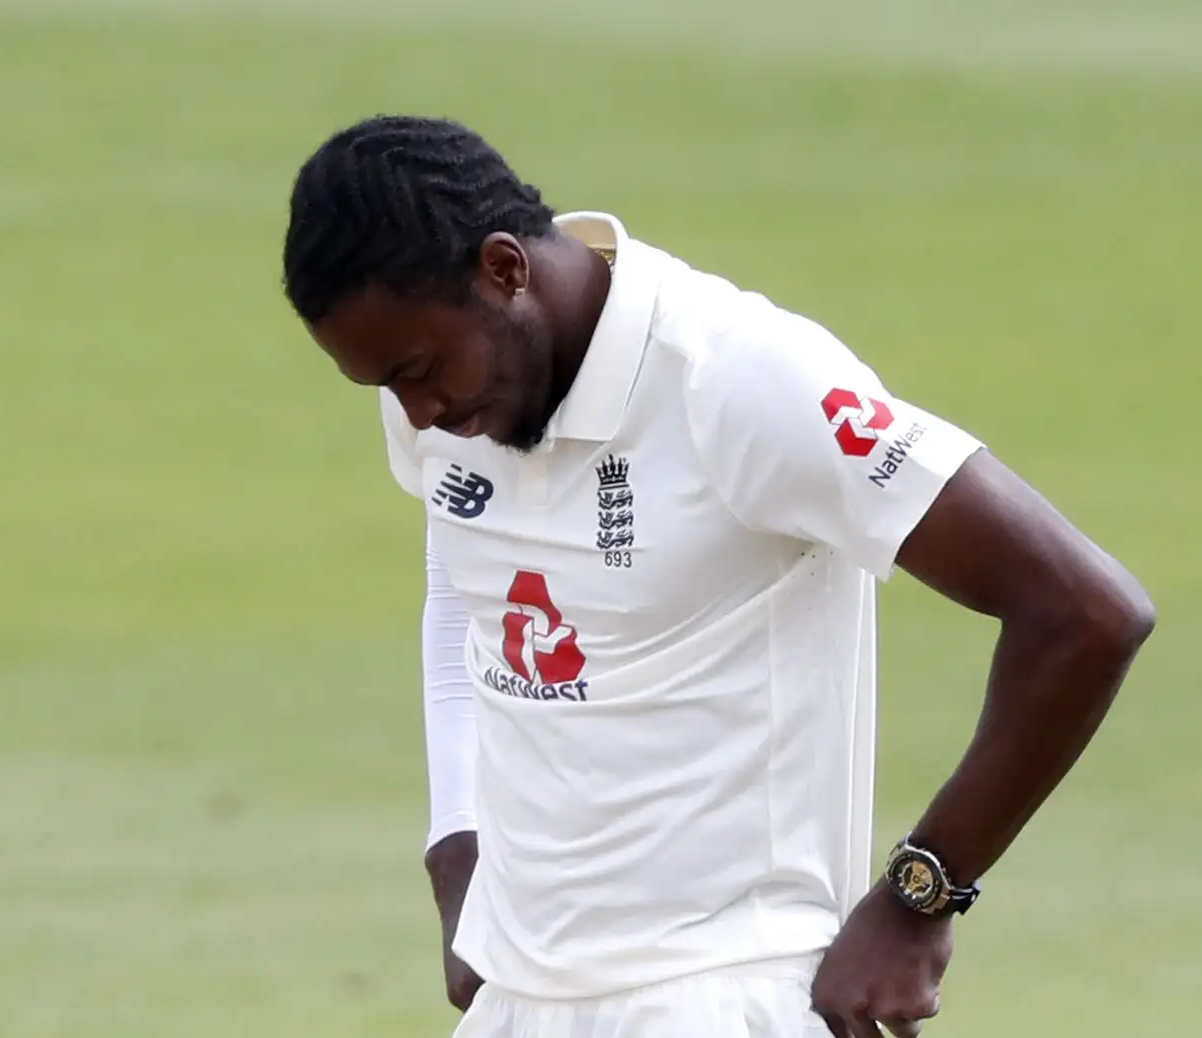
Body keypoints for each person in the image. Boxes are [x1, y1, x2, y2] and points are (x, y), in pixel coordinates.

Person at [279, 114, 1156, 1038]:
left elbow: (1087, 612)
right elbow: (470, 577)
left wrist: (921, 895)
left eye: (418, 371)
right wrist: (455, 841)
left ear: (504, 269)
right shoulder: (450, 401)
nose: (418, 413)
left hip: (727, 993)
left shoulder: (738, 380)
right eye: (385, 387)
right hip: (520, 1000)